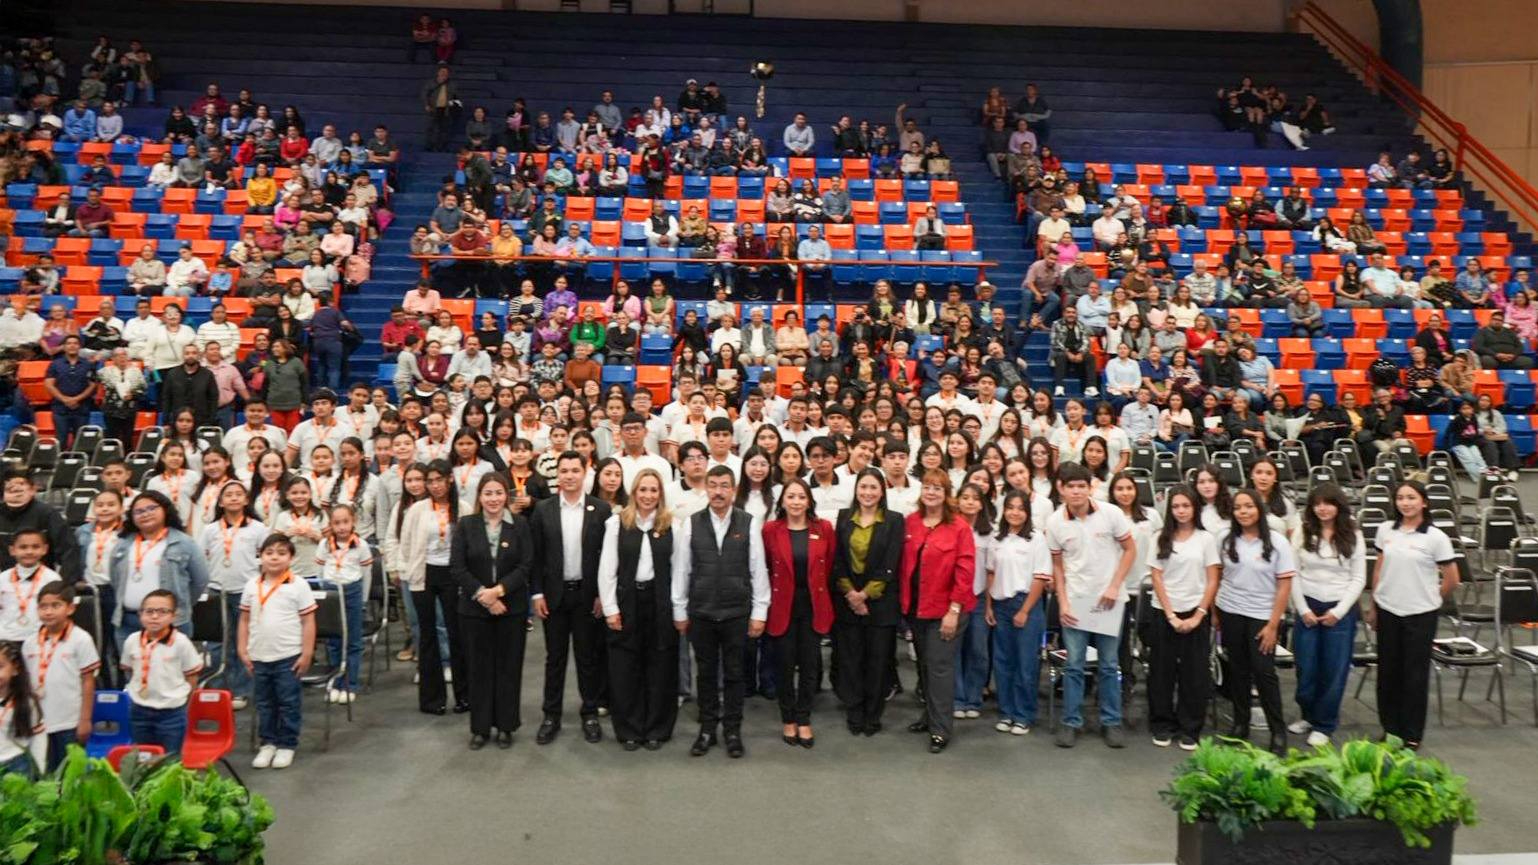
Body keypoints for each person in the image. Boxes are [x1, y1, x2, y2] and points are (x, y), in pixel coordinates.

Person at [671, 465, 770, 759]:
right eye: (712, 485)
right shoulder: (692, 523)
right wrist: (679, 608)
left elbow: (758, 568)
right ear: (706, 489)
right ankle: (707, 729)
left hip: (736, 612)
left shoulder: (748, 522)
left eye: (724, 485)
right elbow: (682, 569)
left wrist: (759, 611)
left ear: (733, 489)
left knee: (735, 674)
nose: (718, 491)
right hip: (701, 611)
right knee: (706, 674)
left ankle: (732, 730)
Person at [1046, 462, 1136, 749]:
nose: (1076, 491)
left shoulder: (1110, 513)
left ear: (1090, 487)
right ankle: (1071, 722)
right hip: (1076, 602)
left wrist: (1114, 586)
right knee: (1074, 666)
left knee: (1110, 665)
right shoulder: (1054, 522)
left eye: (1081, 486)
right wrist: (1062, 602)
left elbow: (1130, 549)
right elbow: (1057, 567)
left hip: (1108, 601)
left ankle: (1112, 722)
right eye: (1070, 486)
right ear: (1061, 488)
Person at [529, 452, 613, 745]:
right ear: (558, 475)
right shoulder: (543, 510)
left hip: (588, 595)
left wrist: (604, 594)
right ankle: (551, 715)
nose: (569, 476)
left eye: (575, 470)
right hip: (554, 595)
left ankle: (589, 712)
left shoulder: (601, 510)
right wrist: (537, 592)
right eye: (563, 470)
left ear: (585, 472)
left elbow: (608, 558)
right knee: (555, 658)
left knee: (587, 657)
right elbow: (535, 556)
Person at [1368, 481, 1459, 749]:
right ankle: (1390, 729)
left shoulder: (1435, 537)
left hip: (1420, 615)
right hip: (1388, 610)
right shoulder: (1385, 530)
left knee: (1414, 675)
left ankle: (1411, 734)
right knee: (1387, 673)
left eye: (1411, 498)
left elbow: (1452, 578)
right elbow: (1379, 570)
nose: (1405, 503)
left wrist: (1431, 599)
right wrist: (1374, 604)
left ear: (1424, 502)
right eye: (1400, 498)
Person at [598, 469, 679, 751]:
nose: (648, 495)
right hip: (627, 601)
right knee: (625, 667)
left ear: (660, 494)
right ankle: (630, 728)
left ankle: (657, 727)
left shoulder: (673, 525)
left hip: (661, 603)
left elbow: (680, 570)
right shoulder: (617, 523)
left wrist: (679, 610)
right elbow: (607, 569)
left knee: (661, 666)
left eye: (653, 490)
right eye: (643, 490)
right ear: (634, 493)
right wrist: (610, 608)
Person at [451, 472, 532, 750]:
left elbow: (526, 566)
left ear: (505, 496)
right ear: (480, 497)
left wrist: (498, 592)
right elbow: (458, 568)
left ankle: (506, 726)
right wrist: (484, 596)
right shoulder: (466, 525)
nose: (494, 498)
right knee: (478, 669)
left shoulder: (520, 525)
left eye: (498, 493)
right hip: (474, 610)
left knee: (509, 668)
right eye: (488, 493)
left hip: (511, 607)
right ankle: (480, 727)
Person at [899, 469, 978, 753]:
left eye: (937, 488)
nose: (931, 492)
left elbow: (965, 571)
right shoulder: (911, 522)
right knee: (924, 667)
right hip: (916, 608)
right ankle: (930, 715)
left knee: (940, 668)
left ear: (947, 495)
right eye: (927, 487)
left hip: (947, 611)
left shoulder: (959, 527)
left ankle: (941, 729)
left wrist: (954, 611)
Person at [1215, 487, 1295, 755]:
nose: (1243, 512)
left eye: (1248, 506)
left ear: (1259, 508)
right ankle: (1240, 724)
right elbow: (1218, 576)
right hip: (1231, 611)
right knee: (1237, 670)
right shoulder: (1226, 540)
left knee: (1264, 672)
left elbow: (1284, 585)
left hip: (1263, 616)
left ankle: (1278, 732)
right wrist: (1216, 613)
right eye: (1238, 508)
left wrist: (1274, 624)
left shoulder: (1277, 542)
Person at [1288, 483, 1365, 748]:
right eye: (1317, 503)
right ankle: (1308, 715)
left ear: (1338, 505)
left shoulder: (1352, 534)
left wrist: (1339, 611)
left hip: (1339, 609)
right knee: (1306, 668)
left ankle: (1325, 723)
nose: (1322, 508)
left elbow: (1359, 577)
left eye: (1328, 503)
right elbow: (1293, 572)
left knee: (1333, 670)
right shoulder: (1303, 530)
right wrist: (1303, 609)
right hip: (1308, 604)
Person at [1145, 485, 1220, 750]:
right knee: (1161, 672)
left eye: (1186, 506)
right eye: (1176, 506)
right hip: (1164, 612)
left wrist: (1199, 614)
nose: (1181, 511)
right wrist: (1171, 615)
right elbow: (1156, 576)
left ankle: (1190, 728)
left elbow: (1212, 579)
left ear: (1195, 508)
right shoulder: (1159, 538)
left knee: (1194, 673)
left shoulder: (1206, 539)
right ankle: (1162, 724)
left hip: (1196, 612)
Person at [831, 468, 904, 736]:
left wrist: (865, 595)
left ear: (882, 491)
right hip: (847, 601)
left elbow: (891, 563)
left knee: (877, 660)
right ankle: (854, 710)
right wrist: (851, 593)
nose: (868, 493)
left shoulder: (895, 521)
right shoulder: (843, 518)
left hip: (880, 602)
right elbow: (837, 560)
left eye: (873, 488)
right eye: (863, 487)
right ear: (856, 490)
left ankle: (873, 714)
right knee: (850, 660)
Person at [762, 478, 834, 748]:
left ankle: (804, 719)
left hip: (813, 606)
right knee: (783, 665)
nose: (795, 502)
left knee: (809, 666)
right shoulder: (770, 530)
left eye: (801, 497)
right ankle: (787, 718)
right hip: (782, 607)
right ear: (782, 501)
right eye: (790, 497)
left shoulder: (823, 528)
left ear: (809, 501)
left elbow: (829, 568)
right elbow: (766, 568)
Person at [238, 533, 316, 770]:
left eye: (282, 553)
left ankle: (287, 744)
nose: (274, 558)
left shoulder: (298, 585)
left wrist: (307, 653)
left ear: (291, 558)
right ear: (260, 556)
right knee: (263, 702)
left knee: (288, 701)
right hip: (259, 656)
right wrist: (242, 649)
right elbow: (243, 620)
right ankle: (268, 743)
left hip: (288, 656)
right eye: (269, 553)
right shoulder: (252, 585)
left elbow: (309, 622)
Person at [398, 461, 466, 714]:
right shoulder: (417, 509)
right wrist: (407, 568)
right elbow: (406, 543)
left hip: (453, 574)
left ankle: (464, 695)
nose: (435, 485)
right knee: (427, 636)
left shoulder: (464, 508)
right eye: (430, 481)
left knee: (456, 633)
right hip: (424, 573)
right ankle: (432, 699)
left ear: (449, 479)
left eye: (439, 479)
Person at [985, 488, 1051, 737]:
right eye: (1010, 507)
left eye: (1020, 508)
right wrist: (990, 605)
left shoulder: (1036, 539)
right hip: (1000, 605)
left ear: (1028, 512)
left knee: (1025, 664)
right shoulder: (996, 538)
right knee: (1003, 663)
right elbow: (991, 572)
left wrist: (1024, 610)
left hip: (1027, 605)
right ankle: (1006, 712)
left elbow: (1041, 577)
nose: (1014, 512)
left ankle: (1023, 715)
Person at [120, 588, 203, 754]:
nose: (155, 616)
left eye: (162, 611)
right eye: (149, 611)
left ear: (174, 616)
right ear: (140, 614)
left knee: (170, 760)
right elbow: (129, 670)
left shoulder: (181, 643)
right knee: (142, 758)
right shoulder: (132, 641)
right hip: (139, 711)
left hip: (171, 713)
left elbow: (191, 676)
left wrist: (182, 700)